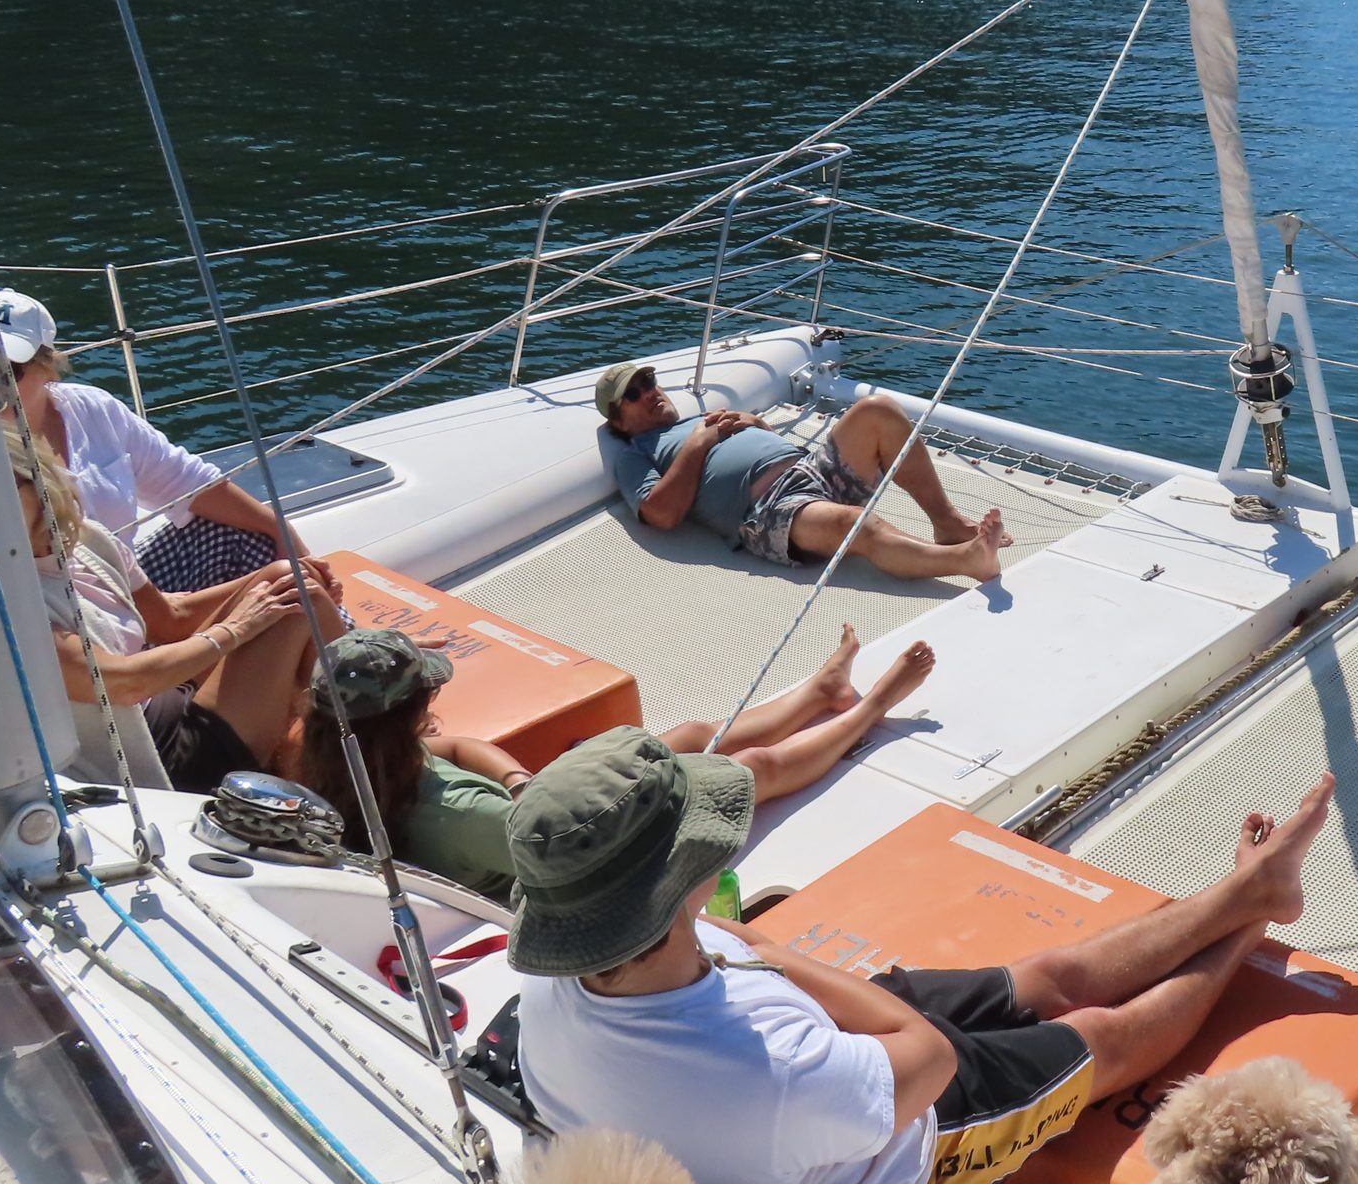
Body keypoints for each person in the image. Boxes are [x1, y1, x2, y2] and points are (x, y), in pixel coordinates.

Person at [506, 727, 1337, 1184]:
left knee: (1038, 977)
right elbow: (930, 1057)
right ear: (677, 890)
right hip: (902, 1130)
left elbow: (732, 977)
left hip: (770, 1019)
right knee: (1094, 1036)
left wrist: (751, 954)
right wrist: (774, 954)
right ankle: (1257, 914)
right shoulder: (771, 1080)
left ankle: (1239, 891)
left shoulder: (565, 976)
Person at [289, 623, 936, 901]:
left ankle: (820, 694)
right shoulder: (459, 814)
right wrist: (529, 798)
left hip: (538, 820)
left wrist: (519, 780)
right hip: (582, 850)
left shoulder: (350, 762)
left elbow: (456, 750)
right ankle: (872, 705)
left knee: (682, 733)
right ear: (406, 713)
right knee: (754, 770)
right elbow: (566, 858)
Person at [9, 426, 346, 792]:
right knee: (301, 602)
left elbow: (170, 618)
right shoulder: (13, 604)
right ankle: (372, 735)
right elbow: (121, 684)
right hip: (156, 758)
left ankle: (355, 732)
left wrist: (267, 578)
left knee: (288, 579)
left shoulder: (89, 544)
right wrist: (236, 628)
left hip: (166, 694)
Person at [0, 287, 310, 592]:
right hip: (53, 615)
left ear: (48, 367)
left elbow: (185, 482)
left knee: (252, 541)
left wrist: (279, 529)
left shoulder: (92, 411)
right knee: (276, 596)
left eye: (6, 370)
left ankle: (340, 643)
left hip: (125, 588)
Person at [594, 364, 1008, 582]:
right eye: (633, 394)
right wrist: (700, 443)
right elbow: (660, 514)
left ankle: (946, 522)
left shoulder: (702, 415)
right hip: (771, 509)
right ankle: (961, 560)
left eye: (648, 381)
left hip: (811, 468)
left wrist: (757, 426)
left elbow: (761, 449)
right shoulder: (635, 452)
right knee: (854, 525)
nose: (649, 391)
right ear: (619, 421)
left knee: (877, 409)